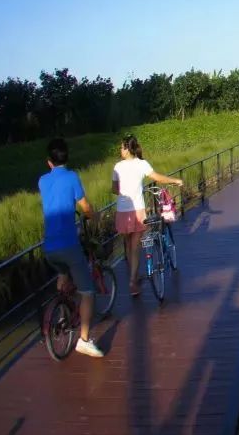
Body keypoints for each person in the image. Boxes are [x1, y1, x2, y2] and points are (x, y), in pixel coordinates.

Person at [39, 138, 104, 358]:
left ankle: (61, 311)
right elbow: (84, 206)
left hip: (49, 247)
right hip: (68, 244)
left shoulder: (42, 181)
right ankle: (84, 340)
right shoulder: (72, 177)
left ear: (49, 162)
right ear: (67, 157)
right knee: (87, 292)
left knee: (63, 272)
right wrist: (93, 216)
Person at [113, 134, 183, 296]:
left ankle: (134, 276)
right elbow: (157, 177)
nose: (120, 150)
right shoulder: (141, 164)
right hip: (137, 209)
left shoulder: (117, 167)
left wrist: (126, 190)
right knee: (136, 246)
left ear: (127, 149)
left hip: (122, 210)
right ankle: (132, 281)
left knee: (129, 246)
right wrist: (175, 180)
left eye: (122, 147)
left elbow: (114, 189)